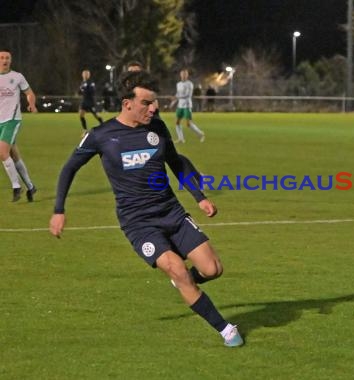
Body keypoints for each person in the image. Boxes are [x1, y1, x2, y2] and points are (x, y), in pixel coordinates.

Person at [49, 70, 244, 347]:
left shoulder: (157, 128)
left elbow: (177, 162)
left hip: (171, 212)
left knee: (212, 269)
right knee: (175, 268)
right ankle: (225, 329)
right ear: (127, 102)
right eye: (146, 103)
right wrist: (59, 209)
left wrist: (199, 197)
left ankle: (185, 282)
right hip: (138, 223)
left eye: (155, 102)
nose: (153, 108)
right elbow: (69, 168)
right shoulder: (101, 136)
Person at [0, 47, 38, 202]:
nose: (4, 60)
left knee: (2, 152)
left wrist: (32, 104)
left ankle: (16, 187)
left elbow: (29, 93)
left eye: (7, 58)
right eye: (1, 57)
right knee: (14, 155)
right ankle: (30, 186)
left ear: (11, 60)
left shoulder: (17, 77)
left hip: (12, 119)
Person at [171, 68, 205, 143]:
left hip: (187, 105)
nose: (183, 75)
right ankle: (181, 139)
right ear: (180, 75)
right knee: (177, 122)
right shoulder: (178, 84)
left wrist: (177, 97)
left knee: (188, 124)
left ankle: (201, 134)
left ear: (187, 75)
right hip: (180, 106)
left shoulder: (189, 84)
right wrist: (173, 100)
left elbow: (187, 95)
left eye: (185, 74)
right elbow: (178, 93)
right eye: (182, 74)